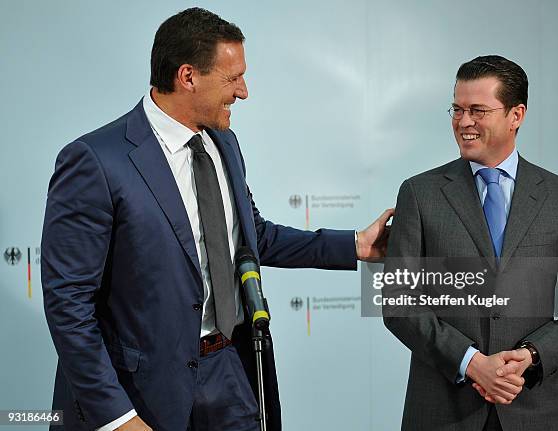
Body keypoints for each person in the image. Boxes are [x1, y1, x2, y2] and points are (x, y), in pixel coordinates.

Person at [41, 8, 393, 431]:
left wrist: (355, 245)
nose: (243, 91)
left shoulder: (224, 143)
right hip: (142, 391)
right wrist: (118, 418)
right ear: (187, 76)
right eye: (232, 78)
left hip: (231, 371)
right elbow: (69, 304)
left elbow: (251, 236)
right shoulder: (96, 160)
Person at [383, 55, 558, 430]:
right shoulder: (419, 193)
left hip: (535, 408)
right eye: (457, 109)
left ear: (516, 115)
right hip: (442, 411)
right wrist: (471, 361)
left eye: (477, 110)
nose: (463, 122)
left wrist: (532, 355)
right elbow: (397, 302)